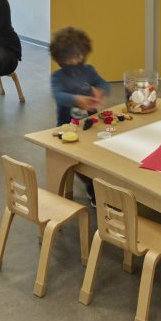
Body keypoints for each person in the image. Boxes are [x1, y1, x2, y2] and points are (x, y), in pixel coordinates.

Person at [49, 26, 109, 204]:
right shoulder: (58, 77)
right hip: (68, 127)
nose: (76, 60)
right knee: (78, 162)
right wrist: (76, 99)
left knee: (99, 155)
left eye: (78, 55)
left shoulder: (89, 71)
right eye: (70, 56)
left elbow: (104, 84)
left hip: (90, 125)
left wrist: (100, 91)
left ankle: (102, 183)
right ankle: (91, 186)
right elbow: (58, 95)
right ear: (60, 58)